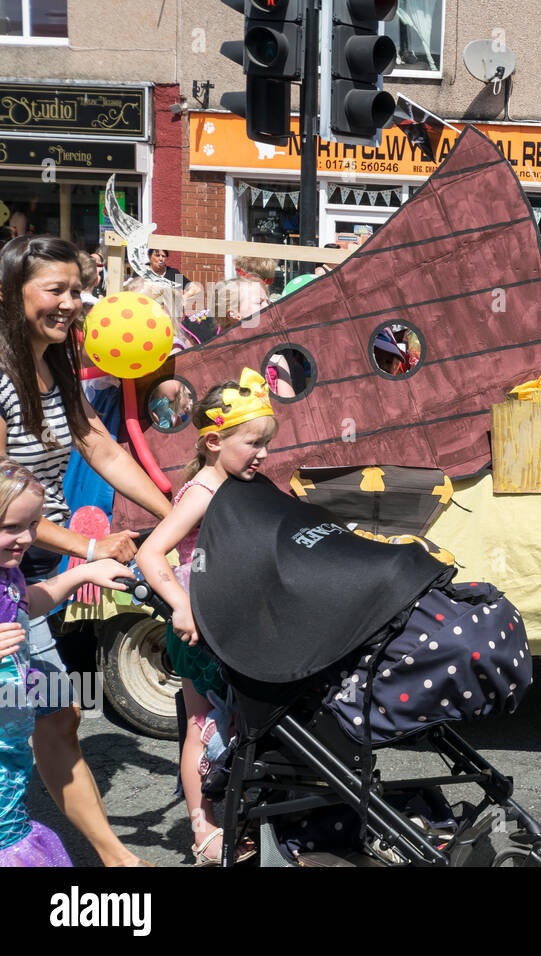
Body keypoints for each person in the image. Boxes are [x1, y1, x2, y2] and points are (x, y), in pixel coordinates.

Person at [0, 235, 172, 867]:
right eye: (55, 289)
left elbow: (99, 445)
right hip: (8, 561)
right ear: (10, 294)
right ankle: (114, 859)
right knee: (45, 706)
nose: (72, 303)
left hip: (33, 562)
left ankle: (105, 853)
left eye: (77, 290)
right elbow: (0, 501)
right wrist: (89, 544)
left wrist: (174, 512)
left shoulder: (56, 364)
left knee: (48, 709)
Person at [137, 370, 276, 864]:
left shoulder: (240, 482)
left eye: (267, 443)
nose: (263, 454)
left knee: (241, 721)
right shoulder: (202, 492)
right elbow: (152, 554)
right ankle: (203, 829)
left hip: (236, 623)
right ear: (214, 441)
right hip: (199, 627)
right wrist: (180, 605)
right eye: (253, 443)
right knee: (203, 723)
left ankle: (239, 814)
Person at [0, 460, 133, 867]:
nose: (25, 539)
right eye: (10, 528)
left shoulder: (8, 575)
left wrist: (85, 573)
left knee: (64, 711)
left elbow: (29, 604)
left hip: (11, 778)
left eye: (33, 525)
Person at [145, 248, 203, 313]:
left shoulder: (173, 273)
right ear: (149, 256)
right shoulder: (141, 272)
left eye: (163, 256)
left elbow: (196, 288)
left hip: (167, 315)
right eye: (157, 255)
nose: (161, 259)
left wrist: (183, 298)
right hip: (145, 311)